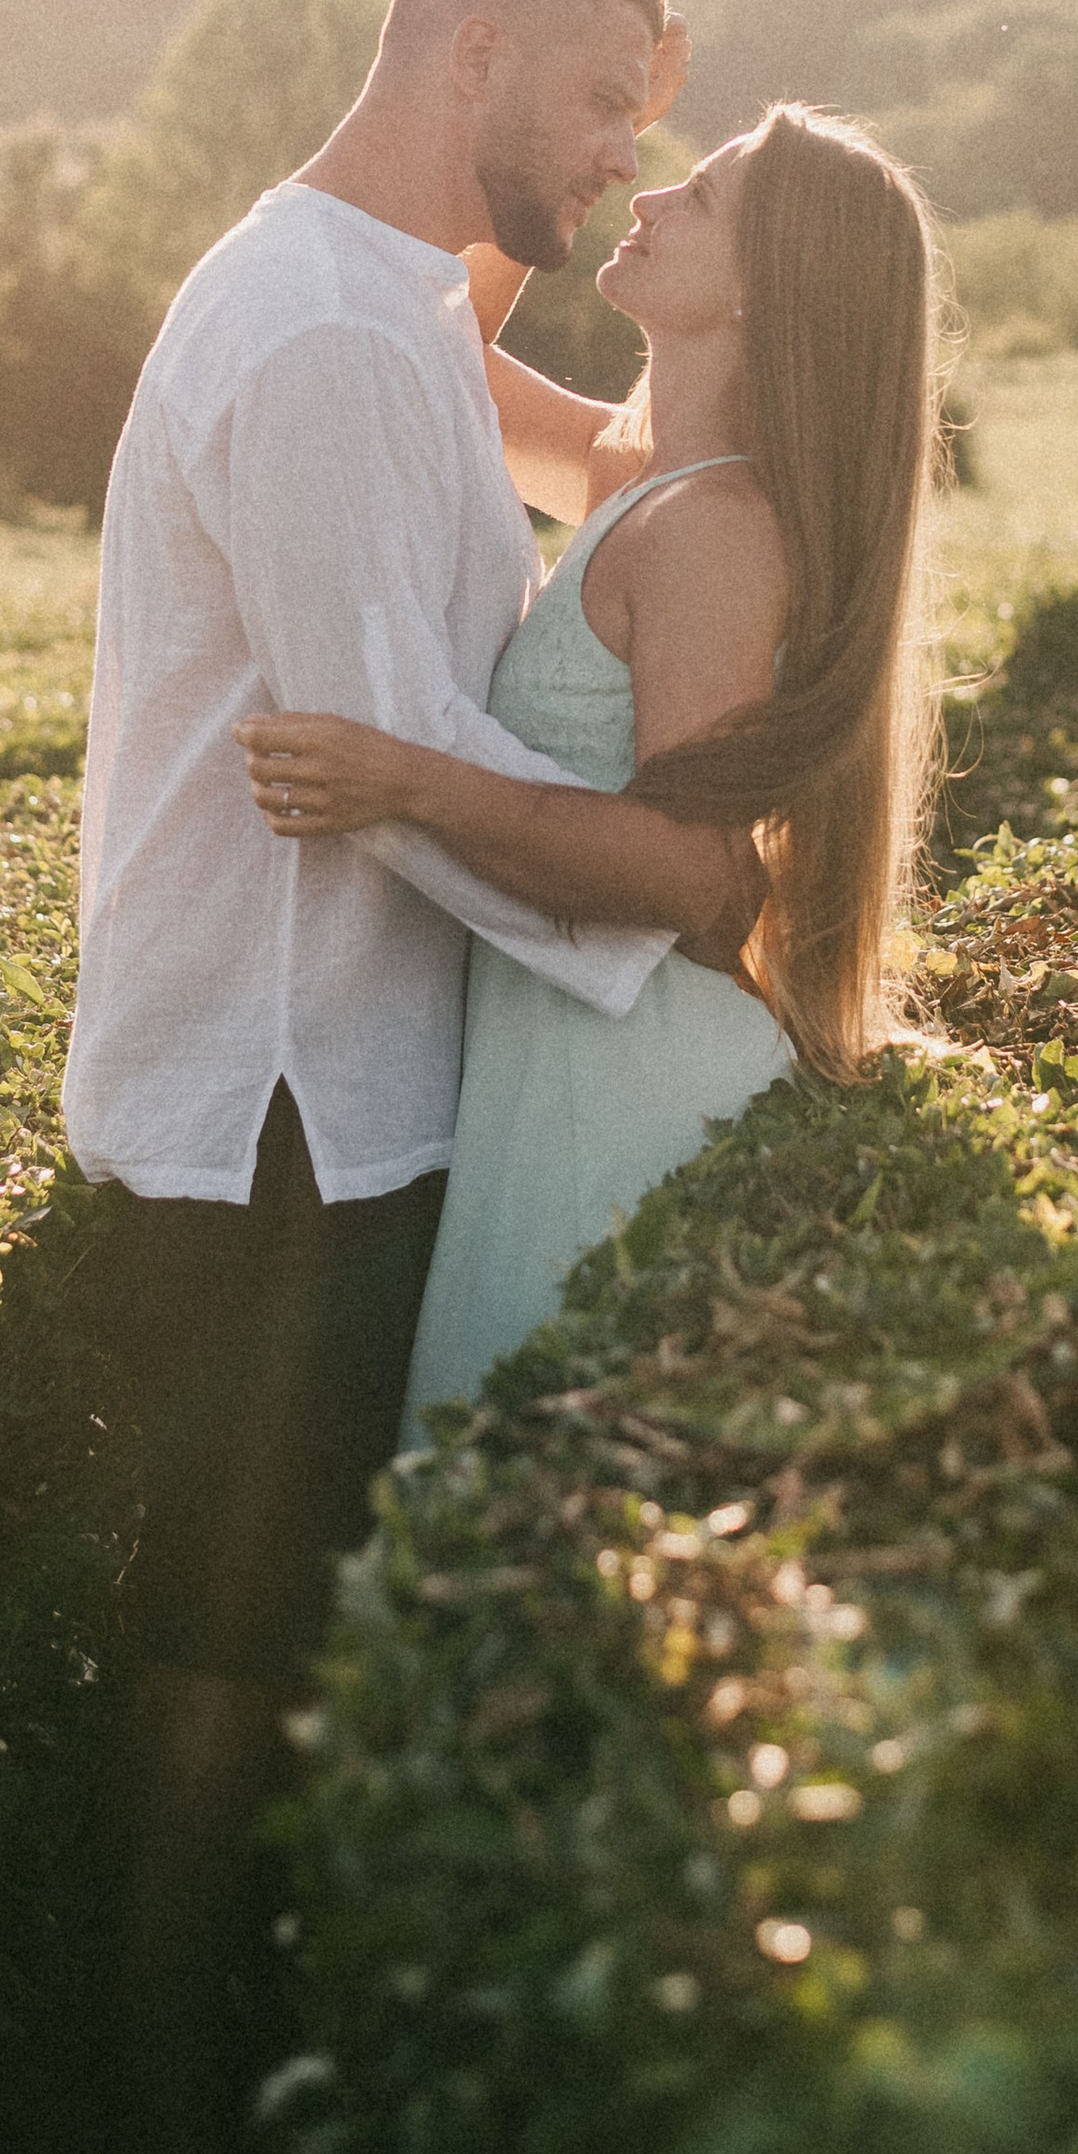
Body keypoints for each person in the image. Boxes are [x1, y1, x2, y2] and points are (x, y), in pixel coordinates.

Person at [62, 0, 757, 2154]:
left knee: (270, 1624)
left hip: (323, 1081)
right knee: (233, 1647)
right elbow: (395, 767)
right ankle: (167, 2150)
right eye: (590, 111)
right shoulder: (341, 339)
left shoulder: (366, 294)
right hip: (288, 1100)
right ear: (465, 59)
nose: (607, 174)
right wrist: (669, 942)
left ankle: (214, 2103)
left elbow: (593, 468)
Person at [235, 97, 946, 1445]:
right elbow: (445, 340)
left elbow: (691, 875)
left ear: (769, 290)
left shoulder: (712, 533)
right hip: (558, 1062)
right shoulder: (642, 468)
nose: (656, 192)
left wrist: (408, 778)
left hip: (619, 1091)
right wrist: (535, 142)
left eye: (711, 196)